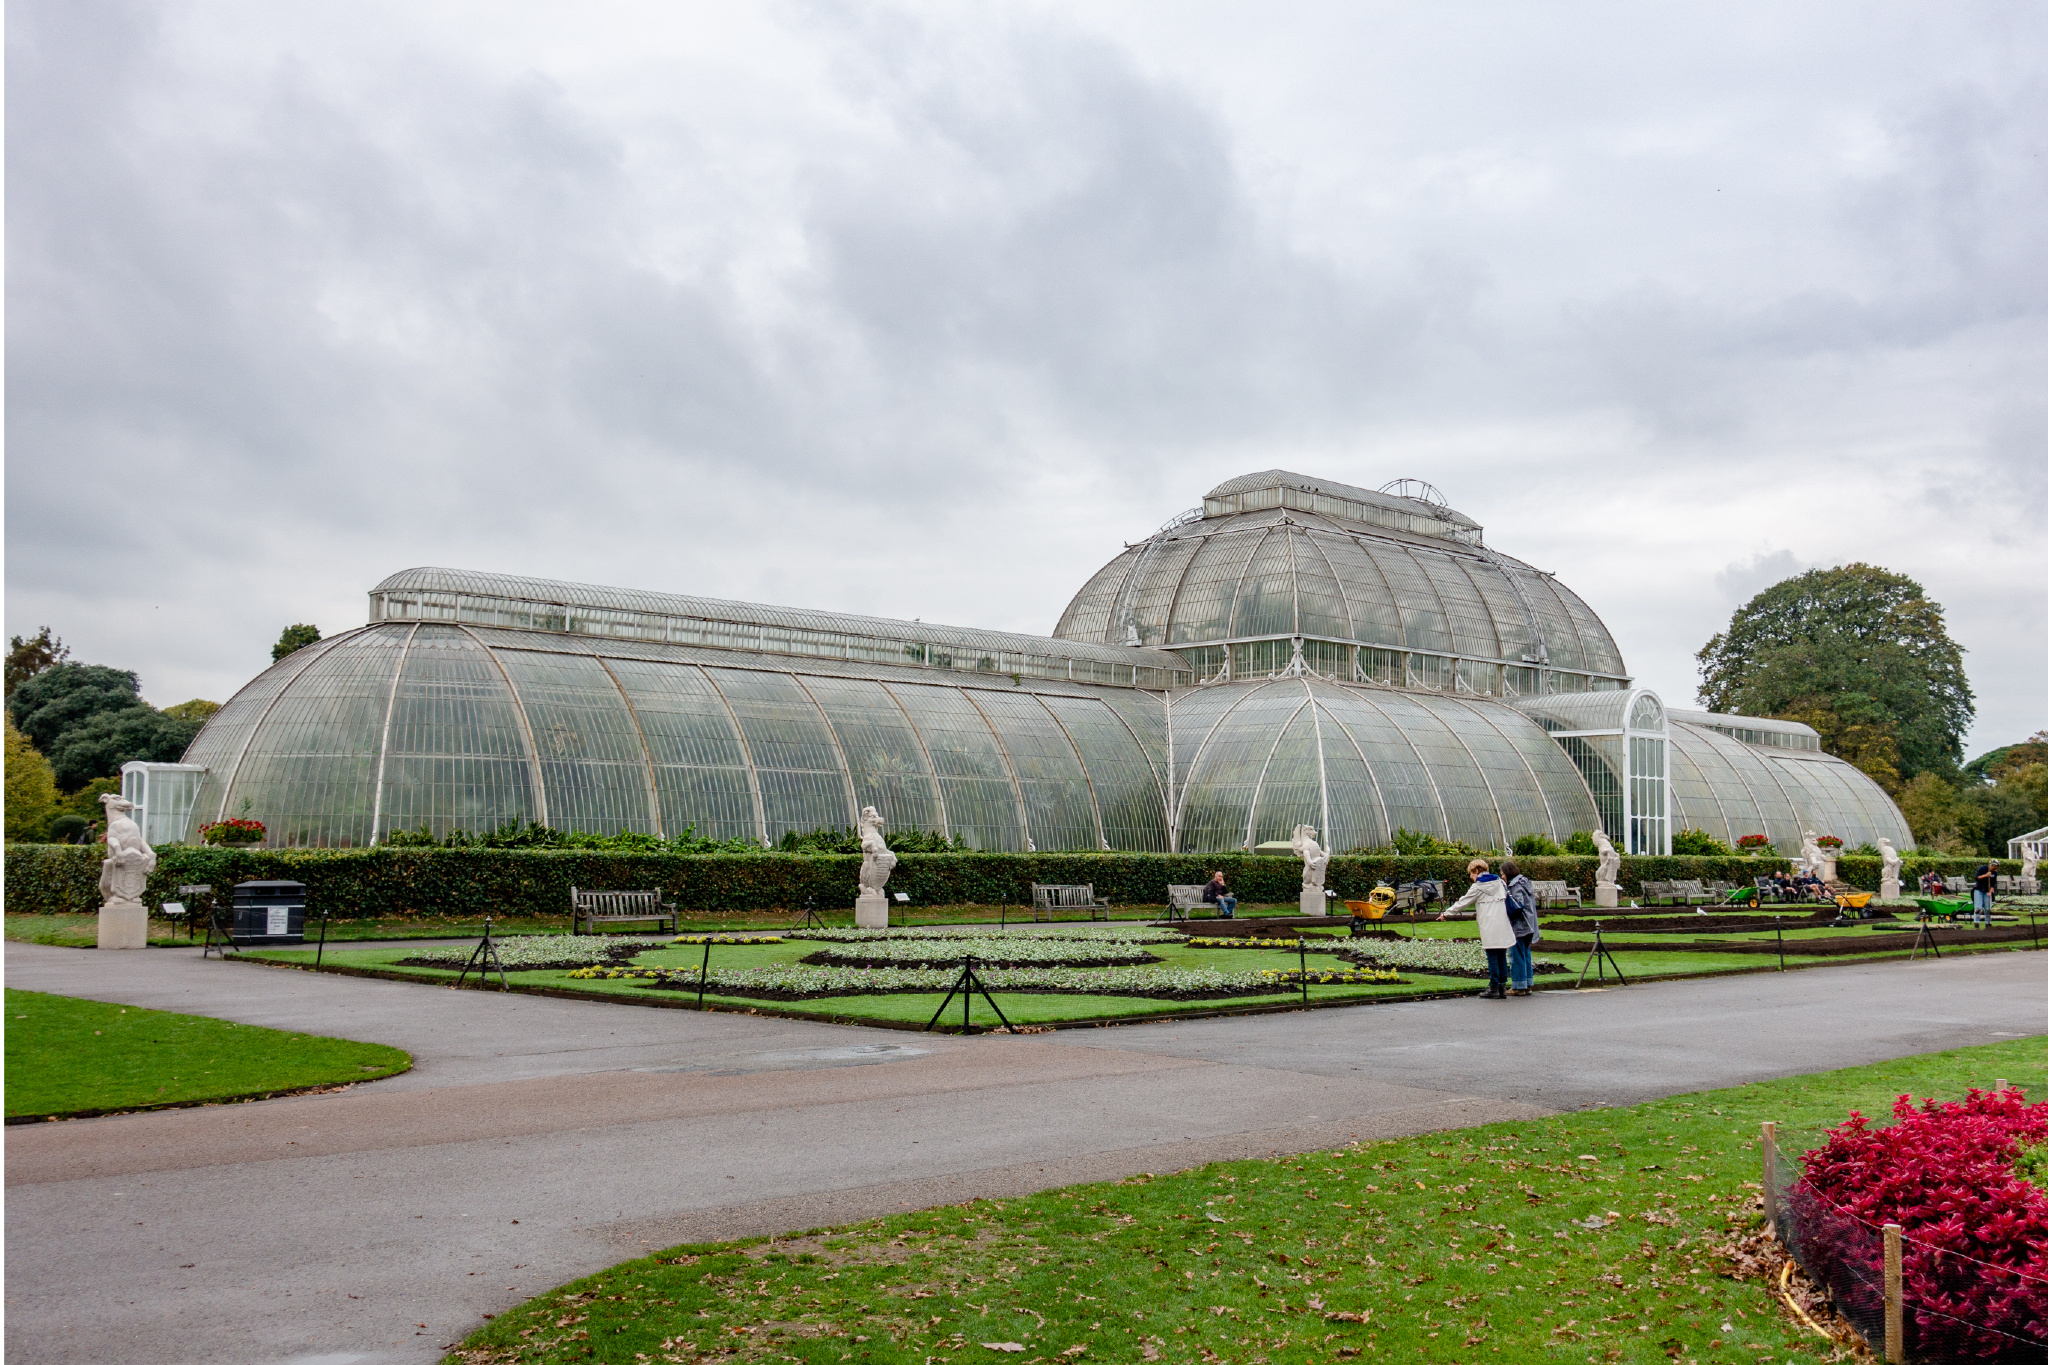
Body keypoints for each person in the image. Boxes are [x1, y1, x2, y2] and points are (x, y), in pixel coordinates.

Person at [1439, 858, 1513, 1000]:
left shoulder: (1478, 887)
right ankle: (1502, 987)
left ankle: (1493, 987)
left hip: (1489, 923)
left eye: (1471, 874)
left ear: (1477, 871)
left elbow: (1462, 902)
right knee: (1501, 955)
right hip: (1503, 922)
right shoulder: (1500, 883)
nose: (1471, 877)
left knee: (1492, 955)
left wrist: (1446, 913)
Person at [1500, 858, 1540, 996]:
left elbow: (1518, 904)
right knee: (1525, 954)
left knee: (1516, 956)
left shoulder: (1514, 885)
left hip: (1519, 925)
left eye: (1502, 874)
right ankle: (1527, 984)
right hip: (1530, 924)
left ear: (1508, 872)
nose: (1502, 877)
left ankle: (1518, 986)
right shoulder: (1525, 882)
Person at [1972, 861, 1996, 928]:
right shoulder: (1982, 868)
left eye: (1996, 868)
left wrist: (1990, 892)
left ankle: (1988, 923)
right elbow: (1977, 878)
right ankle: (1976, 923)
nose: (1994, 869)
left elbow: (1993, 884)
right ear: (1991, 865)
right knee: (1978, 908)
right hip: (1979, 890)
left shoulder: (1995, 873)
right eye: (1993, 867)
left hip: (1987, 891)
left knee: (1988, 909)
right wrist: (1986, 875)